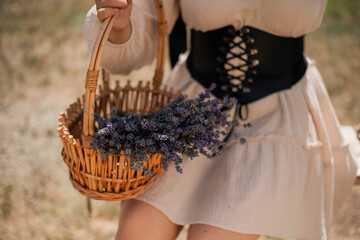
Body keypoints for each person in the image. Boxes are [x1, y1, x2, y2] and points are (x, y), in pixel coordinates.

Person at [83, 0, 360, 239]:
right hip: (192, 109)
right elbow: (145, 22)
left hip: (276, 113)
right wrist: (120, 25)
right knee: (136, 232)